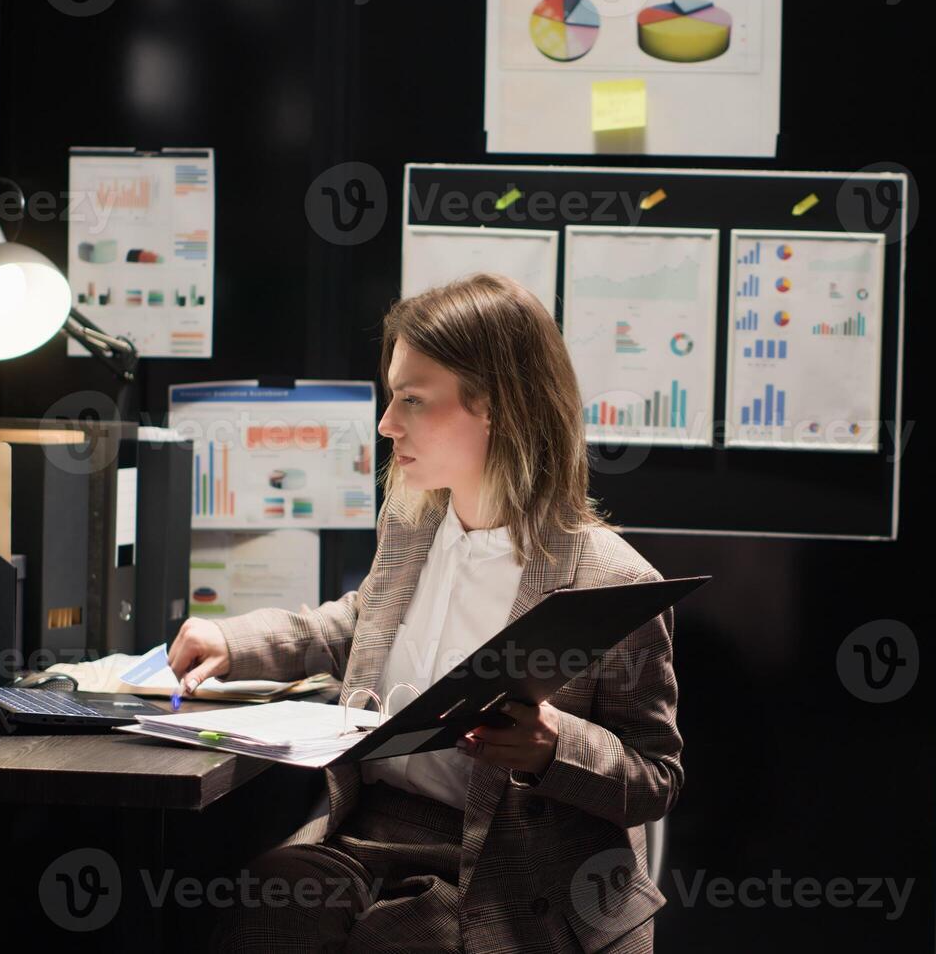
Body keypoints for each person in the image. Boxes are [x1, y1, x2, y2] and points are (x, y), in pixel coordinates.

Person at [167, 273, 682, 953]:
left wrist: (554, 747)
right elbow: (364, 623)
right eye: (391, 398)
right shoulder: (414, 521)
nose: (386, 425)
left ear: (496, 406)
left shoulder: (609, 581)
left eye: (412, 400)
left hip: (512, 864)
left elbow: (655, 778)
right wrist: (235, 640)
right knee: (265, 907)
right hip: (370, 830)